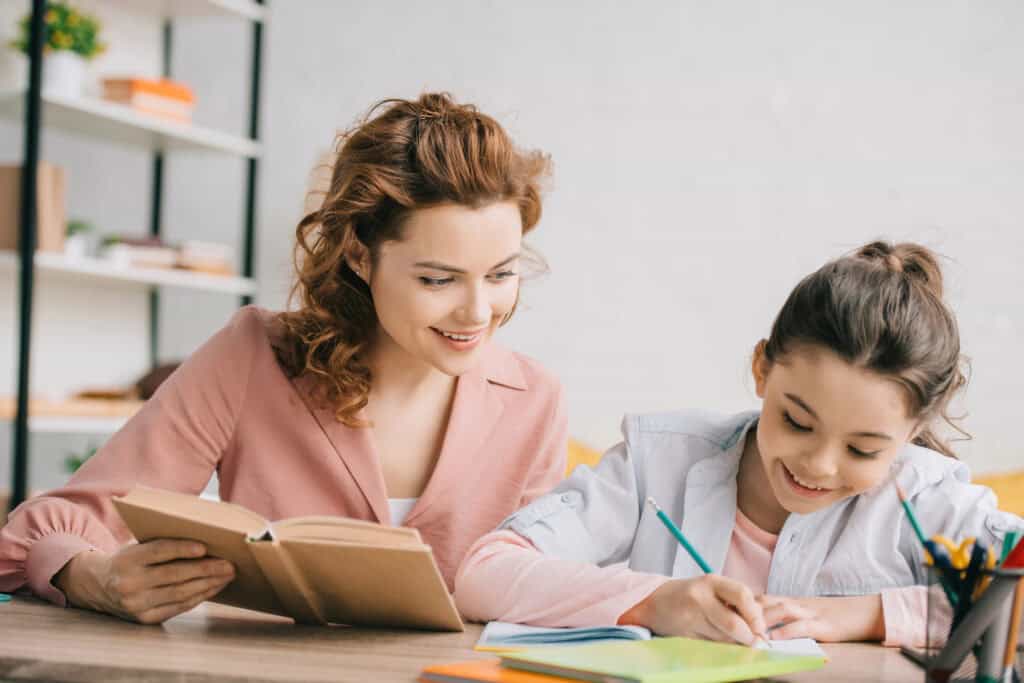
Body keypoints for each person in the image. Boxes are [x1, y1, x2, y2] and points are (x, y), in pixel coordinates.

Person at [0, 92, 567, 624]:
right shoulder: (254, 356)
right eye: (438, 279)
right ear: (359, 257)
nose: (476, 311)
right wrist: (91, 576)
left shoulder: (533, 403)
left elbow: (545, 587)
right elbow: (39, 532)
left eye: (501, 275)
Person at [454, 241, 1023, 648]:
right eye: (797, 422)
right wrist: (655, 602)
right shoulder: (660, 460)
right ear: (761, 369)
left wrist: (870, 615)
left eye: (864, 450)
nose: (819, 465)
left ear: (910, 432)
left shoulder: (922, 495)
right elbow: (484, 573)